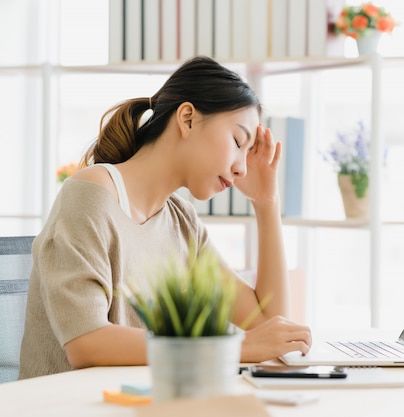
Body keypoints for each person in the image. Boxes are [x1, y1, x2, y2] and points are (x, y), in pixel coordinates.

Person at [18, 56, 312, 379]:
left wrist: (266, 203)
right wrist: (236, 348)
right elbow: (87, 343)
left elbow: (271, 326)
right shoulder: (90, 195)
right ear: (187, 118)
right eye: (238, 141)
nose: (242, 167)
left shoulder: (182, 223)